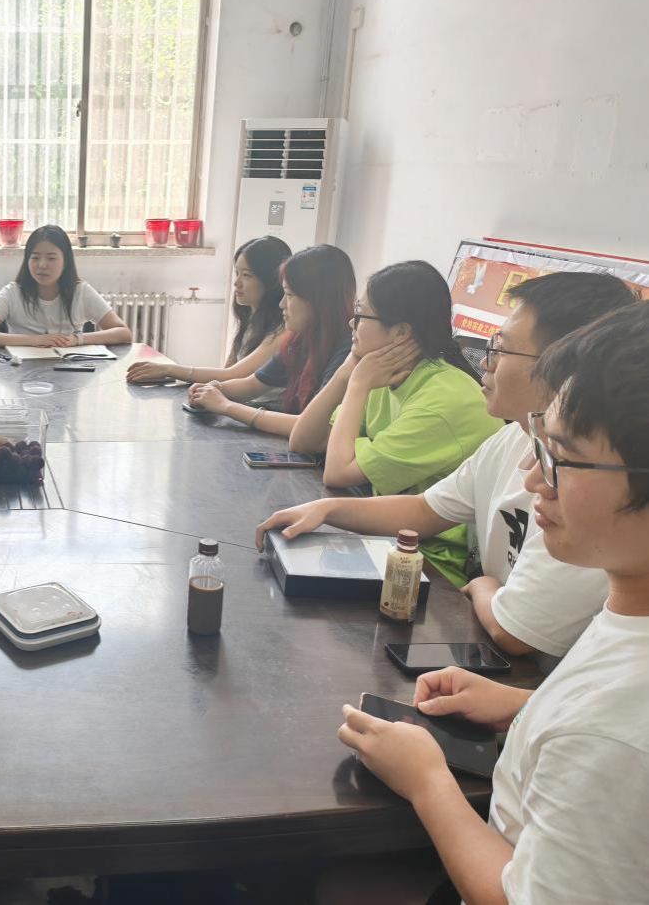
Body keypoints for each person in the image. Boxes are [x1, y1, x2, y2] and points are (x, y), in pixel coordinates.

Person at [336, 299, 649, 904]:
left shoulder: (615, 732)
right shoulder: (627, 617)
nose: (532, 480)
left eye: (559, 457)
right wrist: (526, 708)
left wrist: (427, 780)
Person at [256, 272, 636, 655]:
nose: (484, 363)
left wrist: (483, 585)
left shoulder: (591, 490)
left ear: (561, 365)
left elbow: (514, 632)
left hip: (526, 661)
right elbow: (426, 509)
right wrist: (328, 509)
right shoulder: (512, 438)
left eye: (500, 350)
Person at [277, 261, 503, 584]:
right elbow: (304, 440)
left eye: (361, 314)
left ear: (400, 333)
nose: (352, 323)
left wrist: (357, 385)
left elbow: (337, 472)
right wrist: (345, 373)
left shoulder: (444, 399)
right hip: (389, 532)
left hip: (433, 563)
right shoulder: (385, 372)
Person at [184, 244, 356, 439]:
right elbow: (252, 384)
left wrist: (225, 406)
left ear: (319, 300)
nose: (282, 304)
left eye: (289, 295)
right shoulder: (300, 340)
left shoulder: (347, 349)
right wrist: (213, 388)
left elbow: (308, 426)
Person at [127, 235, 291, 384]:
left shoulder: (283, 330)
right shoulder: (249, 316)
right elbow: (227, 372)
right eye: (237, 273)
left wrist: (168, 369)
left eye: (247, 275)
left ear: (271, 282)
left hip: (260, 405)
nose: (236, 283)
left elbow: (233, 375)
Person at [0, 224, 134, 347]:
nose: (42, 265)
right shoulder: (13, 292)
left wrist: (78, 339)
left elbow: (123, 333)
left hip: (69, 371)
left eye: (51, 258)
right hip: (21, 372)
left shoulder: (80, 292)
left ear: (65, 261)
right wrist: (33, 340)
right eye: (35, 257)